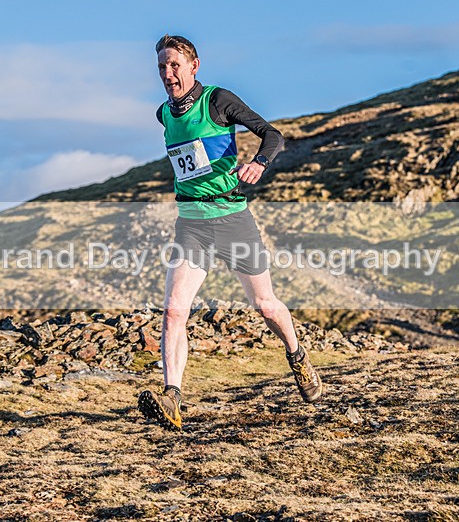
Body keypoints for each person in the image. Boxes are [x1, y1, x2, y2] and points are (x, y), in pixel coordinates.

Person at [137, 34, 323, 431]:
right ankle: (172, 397)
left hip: (232, 219)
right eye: (161, 68)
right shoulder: (163, 114)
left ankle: (296, 355)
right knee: (173, 311)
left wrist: (258, 163)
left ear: (193, 66)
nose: (167, 74)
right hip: (190, 224)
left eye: (174, 65)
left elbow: (273, 135)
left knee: (266, 306)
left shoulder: (218, 101)